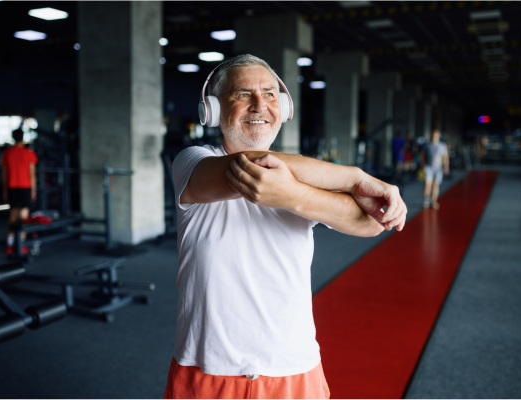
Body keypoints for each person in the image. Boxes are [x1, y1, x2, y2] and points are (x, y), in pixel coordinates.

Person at [164, 54, 407, 399]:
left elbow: (372, 223)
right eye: (243, 94)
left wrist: (294, 195)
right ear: (214, 110)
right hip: (207, 372)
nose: (259, 104)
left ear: (285, 108)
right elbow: (251, 167)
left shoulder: (305, 177)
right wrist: (354, 177)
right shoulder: (192, 162)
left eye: (270, 94)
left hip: (294, 369)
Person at [1, 128, 38, 255]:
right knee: (23, 217)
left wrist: (5, 191)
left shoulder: (7, 153)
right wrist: (33, 190)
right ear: (23, 138)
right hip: (25, 188)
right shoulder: (29, 153)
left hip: (12, 188)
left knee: (13, 215)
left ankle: (10, 245)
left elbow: (4, 175)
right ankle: (21, 245)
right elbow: (32, 174)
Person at [422, 128, 449, 209]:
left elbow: (445, 156)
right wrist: (422, 166)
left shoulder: (442, 146)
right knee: (428, 184)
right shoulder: (427, 145)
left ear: (438, 136)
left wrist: (446, 166)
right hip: (428, 167)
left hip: (438, 168)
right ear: (432, 135)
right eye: (434, 135)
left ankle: (434, 201)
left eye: (437, 135)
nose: (435, 136)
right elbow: (422, 156)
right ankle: (426, 200)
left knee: (436, 185)